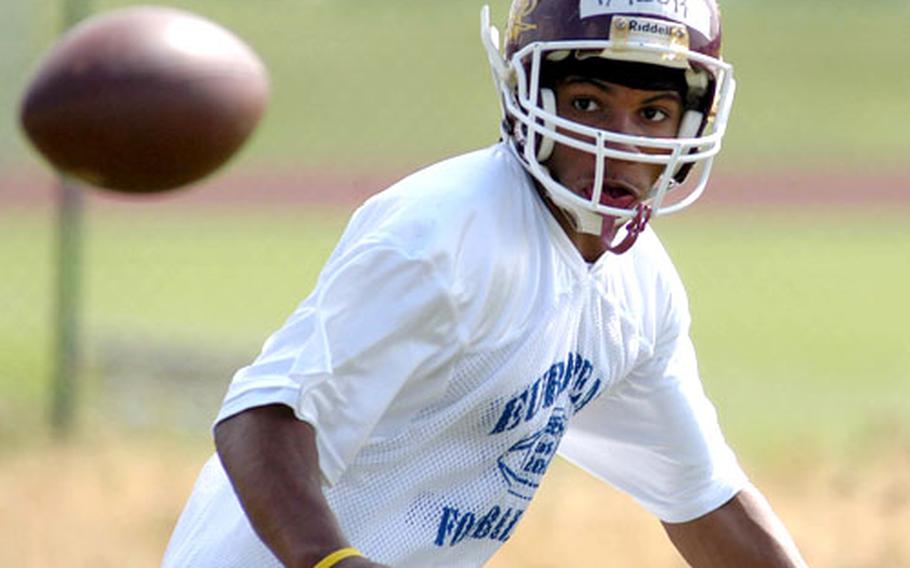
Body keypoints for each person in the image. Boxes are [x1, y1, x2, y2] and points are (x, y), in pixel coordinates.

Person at [164, 1, 809, 567]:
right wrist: (332, 562)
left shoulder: (640, 290)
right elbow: (262, 418)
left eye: (654, 112)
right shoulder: (442, 238)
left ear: (691, 126)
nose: (622, 142)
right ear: (527, 93)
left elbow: (705, 501)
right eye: (588, 103)